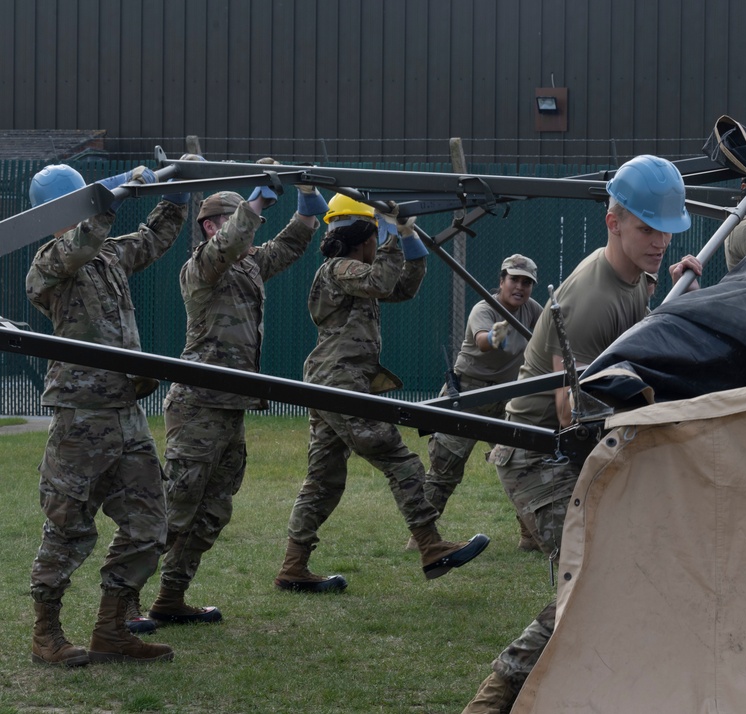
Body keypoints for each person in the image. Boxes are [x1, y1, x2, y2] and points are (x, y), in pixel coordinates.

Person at [463, 154, 699, 712]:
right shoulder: (590, 297)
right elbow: (574, 411)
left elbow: (634, 343)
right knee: (596, 579)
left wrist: (674, 296)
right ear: (613, 221)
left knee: (626, 571)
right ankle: (496, 697)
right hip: (538, 454)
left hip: (570, 446)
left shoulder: (635, 275)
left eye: (667, 230)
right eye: (647, 228)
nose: (660, 241)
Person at [274, 194, 490, 592]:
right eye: (375, 235)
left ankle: (293, 566)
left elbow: (403, 286)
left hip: (335, 380)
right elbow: (383, 280)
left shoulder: (354, 272)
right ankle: (430, 544)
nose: (378, 243)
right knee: (397, 457)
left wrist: (405, 235)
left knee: (324, 480)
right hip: (339, 381)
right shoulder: (339, 269)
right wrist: (393, 232)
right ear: (363, 236)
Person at [25, 162, 190, 665]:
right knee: (69, 526)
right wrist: (108, 199)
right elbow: (80, 243)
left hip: (125, 412)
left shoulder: (110, 256)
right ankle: (46, 634)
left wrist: (176, 191)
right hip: (81, 416)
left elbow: (153, 238)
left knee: (149, 524)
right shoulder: (49, 262)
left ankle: (112, 629)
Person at [147, 176, 327, 625]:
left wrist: (307, 209)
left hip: (231, 406)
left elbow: (285, 246)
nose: (250, 230)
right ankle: (122, 602)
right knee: (176, 508)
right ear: (212, 228)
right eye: (238, 221)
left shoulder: (247, 266)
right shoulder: (203, 267)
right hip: (198, 404)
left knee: (212, 511)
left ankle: (170, 597)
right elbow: (232, 242)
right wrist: (258, 199)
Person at [420, 254, 544, 552]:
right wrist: (495, 334)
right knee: (445, 467)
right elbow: (482, 340)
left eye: (527, 282)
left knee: (522, 463)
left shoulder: (534, 311)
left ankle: (530, 536)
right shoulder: (484, 308)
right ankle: (423, 536)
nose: (520, 287)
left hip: (508, 397)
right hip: (469, 395)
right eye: (514, 279)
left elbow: (548, 339)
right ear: (502, 281)